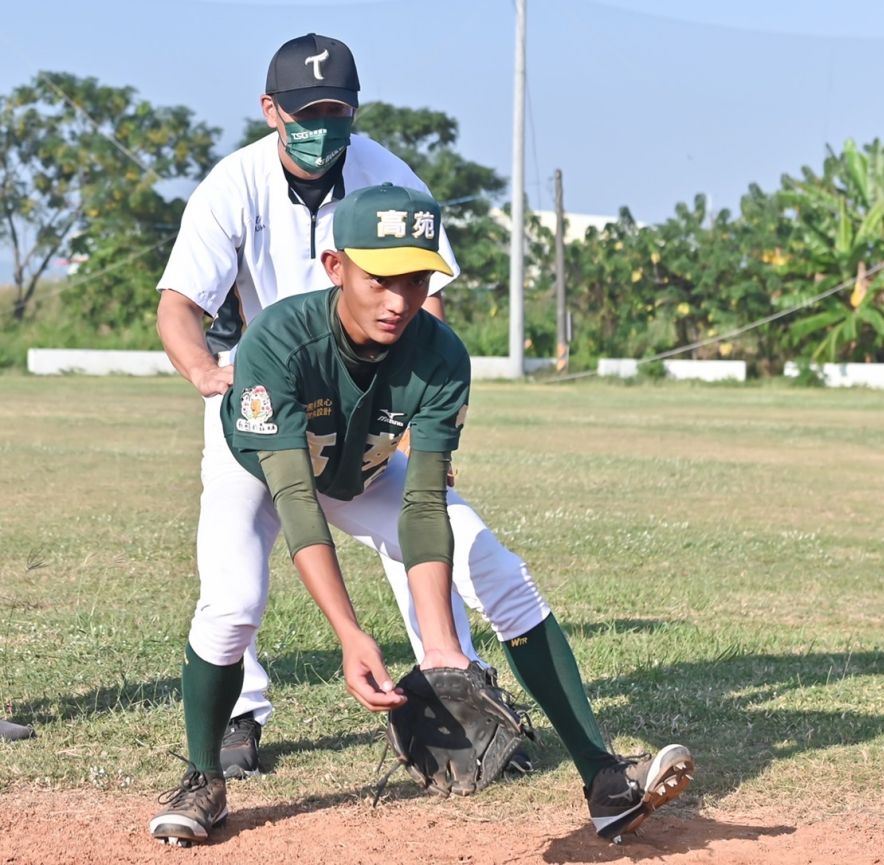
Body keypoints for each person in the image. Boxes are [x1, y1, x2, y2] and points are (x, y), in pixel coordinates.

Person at [148, 184, 694, 846]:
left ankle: (604, 779)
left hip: (363, 469)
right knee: (234, 603)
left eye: (415, 278)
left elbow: (425, 500)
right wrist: (351, 634)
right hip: (259, 467)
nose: (398, 300)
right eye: (379, 278)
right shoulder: (280, 340)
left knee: (499, 571)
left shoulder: (441, 354)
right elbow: (295, 498)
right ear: (335, 267)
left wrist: (440, 649)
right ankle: (203, 779)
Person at [155, 32, 515, 779]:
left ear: (355, 109)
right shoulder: (234, 183)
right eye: (305, 111)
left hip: (368, 396)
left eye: (335, 110)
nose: (321, 125)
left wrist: (420, 423)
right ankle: (238, 712)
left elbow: (427, 301)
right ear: (271, 110)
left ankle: (454, 691)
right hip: (268, 398)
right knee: (234, 581)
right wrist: (206, 374)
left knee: (431, 530)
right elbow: (179, 304)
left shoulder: (389, 177)